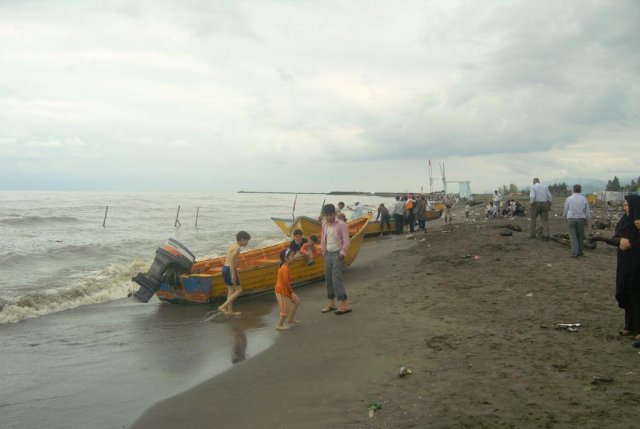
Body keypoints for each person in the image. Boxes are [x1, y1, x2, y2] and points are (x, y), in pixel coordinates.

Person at [590, 195, 640, 339]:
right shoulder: (624, 220)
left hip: (637, 265)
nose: (625, 207)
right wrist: (620, 241)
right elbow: (615, 237)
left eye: (628, 205)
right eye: (624, 204)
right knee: (624, 291)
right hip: (624, 263)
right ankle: (629, 326)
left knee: (636, 295)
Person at [319, 203, 352, 315]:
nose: (329, 217)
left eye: (331, 214)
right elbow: (323, 239)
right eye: (327, 215)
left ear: (335, 213)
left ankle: (345, 304)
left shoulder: (341, 224)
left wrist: (342, 254)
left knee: (336, 278)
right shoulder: (324, 224)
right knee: (328, 279)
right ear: (324, 215)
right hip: (328, 254)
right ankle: (331, 303)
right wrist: (323, 251)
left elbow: (347, 241)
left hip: (338, 254)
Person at [218, 231, 251, 316]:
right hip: (230, 269)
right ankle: (223, 306)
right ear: (242, 239)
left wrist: (235, 272)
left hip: (225, 268)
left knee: (231, 290)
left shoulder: (233, 245)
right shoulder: (237, 248)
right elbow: (232, 261)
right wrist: (233, 274)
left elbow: (229, 260)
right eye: (247, 240)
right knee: (239, 290)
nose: (247, 242)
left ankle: (230, 312)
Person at [274, 248, 300, 330]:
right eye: (292, 256)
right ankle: (279, 325)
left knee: (296, 301)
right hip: (281, 291)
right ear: (286, 258)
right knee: (285, 310)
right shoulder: (284, 268)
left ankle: (290, 319)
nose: (294, 257)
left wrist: (290, 293)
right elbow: (286, 283)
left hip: (285, 289)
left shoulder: (285, 265)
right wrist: (291, 293)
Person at [563, 184, 591, 258]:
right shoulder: (584, 199)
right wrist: (587, 220)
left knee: (573, 236)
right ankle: (580, 251)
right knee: (580, 236)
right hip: (581, 219)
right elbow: (587, 211)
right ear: (580, 190)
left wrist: (565, 217)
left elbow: (566, 209)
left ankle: (574, 252)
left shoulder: (569, 198)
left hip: (571, 218)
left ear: (573, 190)